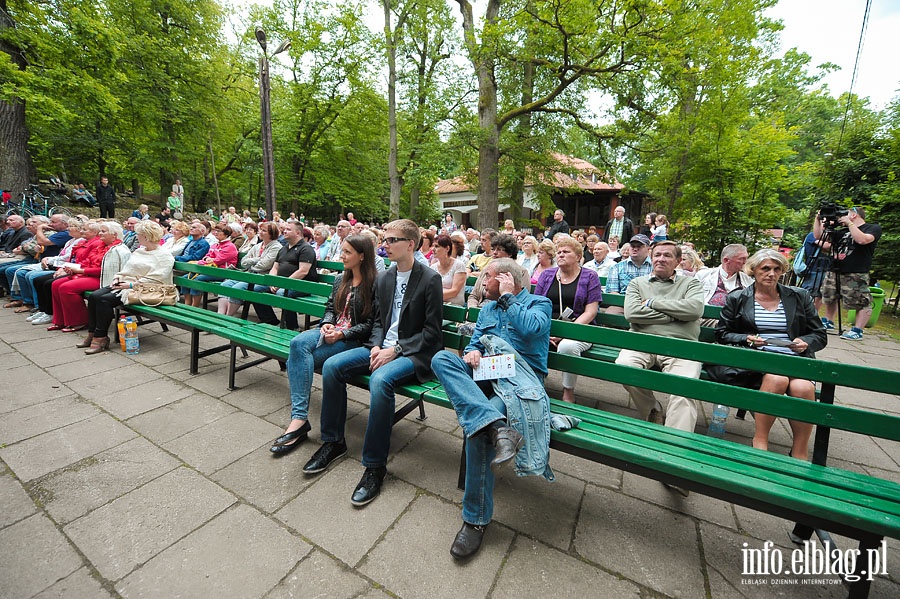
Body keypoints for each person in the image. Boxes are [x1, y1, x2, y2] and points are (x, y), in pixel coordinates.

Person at [302, 219, 443, 507]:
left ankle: (375, 466)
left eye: (392, 240)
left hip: (413, 354)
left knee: (380, 380)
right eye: (385, 240)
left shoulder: (429, 279)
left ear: (411, 245)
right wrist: (378, 345)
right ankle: (333, 442)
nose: (385, 245)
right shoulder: (385, 278)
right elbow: (379, 321)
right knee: (332, 367)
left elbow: (432, 333)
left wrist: (396, 350)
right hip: (380, 348)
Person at [430, 258, 553, 559]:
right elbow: (474, 343)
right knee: (441, 360)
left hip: (517, 381)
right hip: (486, 372)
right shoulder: (487, 308)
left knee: (477, 432)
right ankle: (498, 428)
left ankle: (475, 520)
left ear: (507, 280)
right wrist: (472, 353)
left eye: (487, 278)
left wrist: (510, 298)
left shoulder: (539, 303)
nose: (482, 284)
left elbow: (532, 330)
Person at [715, 249, 827, 461]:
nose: (771, 274)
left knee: (802, 387)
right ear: (753, 270)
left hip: (795, 358)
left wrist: (805, 343)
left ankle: (800, 450)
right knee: (776, 379)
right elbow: (723, 333)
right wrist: (747, 338)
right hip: (759, 359)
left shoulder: (799, 296)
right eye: (765, 268)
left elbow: (819, 335)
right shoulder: (738, 298)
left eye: (777, 269)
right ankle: (760, 440)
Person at [271, 235, 377, 456]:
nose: (342, 255)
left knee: (296, 360)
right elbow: (330, 307)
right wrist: (328, 323)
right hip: (331, 332)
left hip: (352, 340)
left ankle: (299, 426)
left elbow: (372, 324)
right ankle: (299, 419)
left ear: (362, 256)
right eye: (343, 251)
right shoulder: (341, 279)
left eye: (347, 252)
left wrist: (342, 333)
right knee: (298, 343)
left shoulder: (375, 283)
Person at [615, 241, 705, 441]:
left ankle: (674, 444)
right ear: (651, 258)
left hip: (681, 346)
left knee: (684, 387)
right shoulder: (637, 284)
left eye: (667, 256)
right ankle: (652, 409)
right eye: (657, 255)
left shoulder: (691, 284)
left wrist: (653, 303)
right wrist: (675, 315)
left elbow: (694, 310)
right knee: (624, 367)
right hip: (642, 342)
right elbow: (632, 313)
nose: (661, 259)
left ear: (678, 261)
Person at [80, 221, 174, 354]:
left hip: (149, 289)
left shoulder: (164, 255)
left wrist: (130, 284)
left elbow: (157, 278)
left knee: (105, 300)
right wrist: (118, 277)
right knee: (95, 296)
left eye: (138, 235)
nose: (137, 237)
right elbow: (127, 269)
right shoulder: (140, 251)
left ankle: (100, 337)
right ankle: (92, 333)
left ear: (146, 237)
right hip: (128, 284)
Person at [534, 236, 602, 403]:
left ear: (578, 256)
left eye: (566, 251)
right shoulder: (547, 275)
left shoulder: (590, 276)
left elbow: (591, 312)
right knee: (525, 338)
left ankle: (568, 391)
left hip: (579, 329)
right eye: (558, 252)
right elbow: (536, 306)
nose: (560, 255)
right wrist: (545, 331)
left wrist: (565, 333)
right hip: (547, 328)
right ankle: (534, 384)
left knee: (567, 345)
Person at [49, 221, 130, 332]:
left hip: (103, 279)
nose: (100, 233)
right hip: (90, 274)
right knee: (55, 284)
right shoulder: (100, 246)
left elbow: (107, 271)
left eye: (103, 231)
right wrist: (73, 268)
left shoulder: (117, 249)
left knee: (66, 287)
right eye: (100, 231)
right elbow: (88, 262)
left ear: (114, 235)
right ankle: (60, 320)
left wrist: (81, 270)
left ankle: (79, 321)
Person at [816, 206, 881, 340]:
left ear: (854, 215)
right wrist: (818, 220)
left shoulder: (872, 228)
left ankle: (857, 330)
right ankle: (828, 321)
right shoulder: (842, 231)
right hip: (834, 269)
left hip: (856, 272)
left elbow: (862, 240)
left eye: (846, 214)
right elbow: (819, 237)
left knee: (862, 301)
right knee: (830, 297)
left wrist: (850, 224)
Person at [250, 220, 318, 330]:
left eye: (288, 229)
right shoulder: (283, 248)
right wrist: (273, 281)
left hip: (302, 285)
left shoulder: (306, 249)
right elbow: (275, 267)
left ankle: (292, 327)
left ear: (298, 233)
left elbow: (303, 271)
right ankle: (270, 321)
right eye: (284, 229)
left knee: (282, 293)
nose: (284, 231)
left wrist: (282, 284)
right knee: (255, 290)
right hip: (282, 283)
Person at [218, 222, 282, 317]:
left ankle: (228, 316)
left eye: (264, 231)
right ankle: (220, 314)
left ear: (272, 234)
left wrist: (251, 263)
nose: (260, 232)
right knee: (225, 285)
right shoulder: (258, 246)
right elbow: (244, 262)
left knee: (237, 288)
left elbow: (264, 265)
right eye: (260, 230)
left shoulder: (276, 247)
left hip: (263, 278)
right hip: (249, 275)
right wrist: (257, 259)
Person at [181, 222, 238, 307]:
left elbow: (218, 260)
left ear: (226, 234)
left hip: (222, 272)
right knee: (185, 278)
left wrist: (202, 262)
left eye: (219, 231)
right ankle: (187, 304)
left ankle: (194, 306)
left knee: (197, 279)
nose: (216, 233)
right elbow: (207, 256)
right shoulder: (215, 245)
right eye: (215, 230)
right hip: (209, 270)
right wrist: (206, 259)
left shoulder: (230, 247)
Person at [695, 243, 752, 326]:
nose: (745, 262)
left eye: (746, 258)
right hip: (706, 319)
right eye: (742, 259)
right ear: (726, 260)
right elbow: (694, 300)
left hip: (735, 321)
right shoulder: (703, 275)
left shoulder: (748, 280)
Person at [604, 234, 652, 314]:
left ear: (648, 249)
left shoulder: (656, 267)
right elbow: (613, 292)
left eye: (639, 246)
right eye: (632, 246)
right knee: (611, 312)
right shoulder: (617, 267)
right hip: (623, 304)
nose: (635, 248)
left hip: (649, 305)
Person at [431, 233, 467, 306]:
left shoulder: (459, 265)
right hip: (436, 305)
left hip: (454, 307)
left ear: (447, 248)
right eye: (433, 246)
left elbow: (454, 291)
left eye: (437, 246)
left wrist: (432, 295)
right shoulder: (433, 267)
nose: (433, 249)